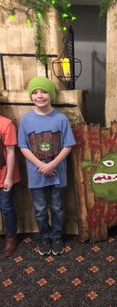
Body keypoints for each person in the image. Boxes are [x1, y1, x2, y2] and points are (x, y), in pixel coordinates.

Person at [18, 76, 76, 256]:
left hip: (57, 172)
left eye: (43, 92)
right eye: (35, 92)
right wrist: (41, 165)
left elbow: (68, 145)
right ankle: (44, 237)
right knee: (40, 209)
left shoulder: (61, 118)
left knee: (58, 207)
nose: (39, 96)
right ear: (31, 96)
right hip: (37, 174)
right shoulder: (26, 120)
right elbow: (23, 147)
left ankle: (57, 236)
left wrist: (52, 164)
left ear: (50, 95)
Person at [0, 115, 20, 256]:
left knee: (6, 207)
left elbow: (11, 152)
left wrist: (9, 177)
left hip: (4, 174)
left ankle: (11, 236)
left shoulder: (6, 124)